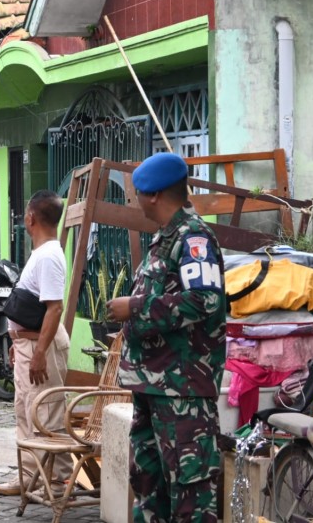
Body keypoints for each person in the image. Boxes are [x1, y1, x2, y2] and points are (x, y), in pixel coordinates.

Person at [106, 152, 226, 523]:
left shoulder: (193, 238)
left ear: (154, 194)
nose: (135, 201)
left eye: (138, 194)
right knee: (148, 487)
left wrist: (135, 308)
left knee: (191, 495)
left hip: (182, 393)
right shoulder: (164, 238)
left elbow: (204, 300)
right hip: (152, 386)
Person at [0, 190, 71, 498]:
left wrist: (39, 352)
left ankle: (55, 479)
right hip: (29, 342)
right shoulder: (41, 253)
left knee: (46, 413)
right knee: (27, 411)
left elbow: (55, 308)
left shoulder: (50, 255)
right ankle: (29, 475)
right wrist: (17, 340)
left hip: (43, 345)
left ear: (30, 218)